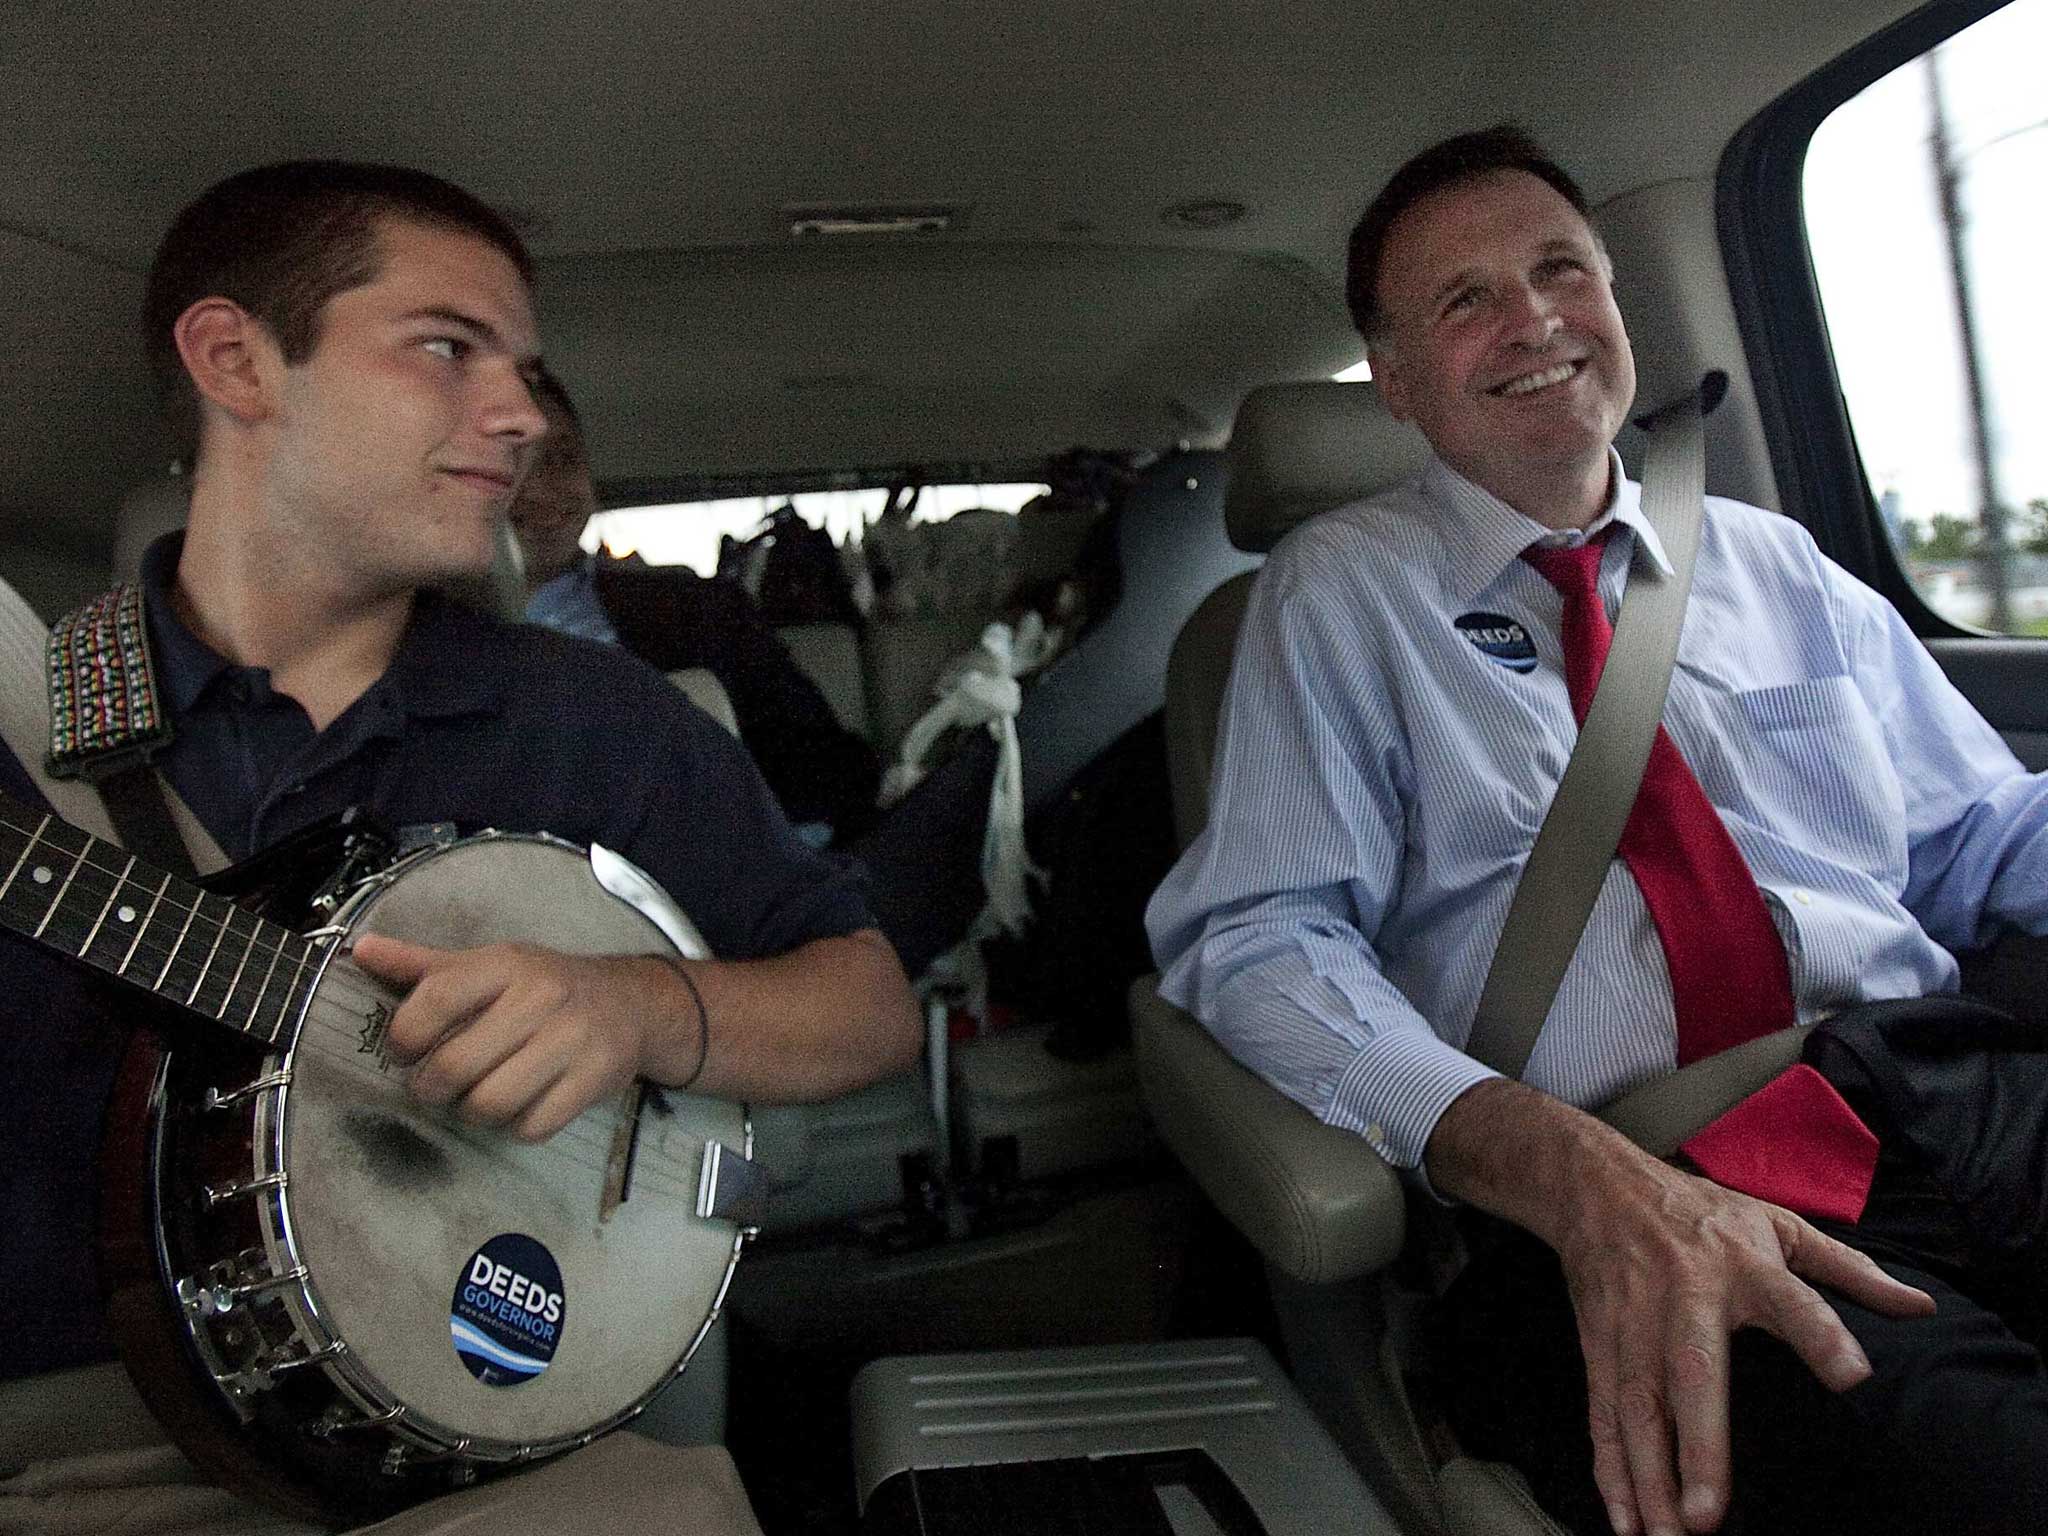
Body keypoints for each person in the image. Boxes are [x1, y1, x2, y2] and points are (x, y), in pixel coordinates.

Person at [1146, 125, 2048, 1536]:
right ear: (1390, 381)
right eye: (1465, 301)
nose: (1535, 320)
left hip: (1943, 1087)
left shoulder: (1775, 561)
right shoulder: (1335, 599)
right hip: (1647, 1172)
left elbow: (1984, 837)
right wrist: (1566, 1175)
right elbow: (1259, 942)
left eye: (1561, 268)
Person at [0, 159, 920, 1536]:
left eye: (527, 370)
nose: (523, 417)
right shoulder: (27, 731)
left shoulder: (592, 721)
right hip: (96, 1454)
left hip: (517, 1458)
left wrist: (640, 1008)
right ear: (237, 362)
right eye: (447, 348)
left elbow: (867, 1004)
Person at [509, 375, 1000, 980]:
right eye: (515, 459)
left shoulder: (695, 608)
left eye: (562, 458)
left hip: (783, 886)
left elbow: (830, 765)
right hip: (590, 936)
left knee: (998, 761)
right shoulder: (422, 656)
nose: (543, 485)